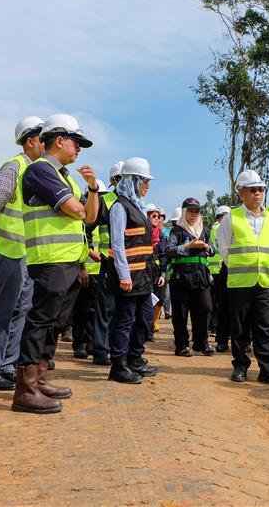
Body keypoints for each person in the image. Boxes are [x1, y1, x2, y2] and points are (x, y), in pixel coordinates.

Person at [12, 113, 98, 413]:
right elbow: (76, 210)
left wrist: (93, 189)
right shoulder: (40, 170)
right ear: (59, 140)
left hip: (69, 261)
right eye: (76, 142)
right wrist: (81, 205)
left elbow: (89, 215)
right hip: (50, 259)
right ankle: (24, 388)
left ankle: (41, 377)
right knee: (41, 320)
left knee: (56, 322)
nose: (79, 149)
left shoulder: (64, 176)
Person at [0, 116, 44, 391]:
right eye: (43, 139)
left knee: (21, 311)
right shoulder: (14, 167)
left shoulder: (35, 171)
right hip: (9, 251)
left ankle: (7, 367)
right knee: (4, 311)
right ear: (30, 141)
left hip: (27, 255)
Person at [217, 170, 269, 386]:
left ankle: (267, 369)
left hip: (265, 282)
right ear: (242, 193)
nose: (258, 193)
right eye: (253, 190)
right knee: (239, 327)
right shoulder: (231, 218)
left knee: (265, 327)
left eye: (261, 190)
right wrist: (242, 266)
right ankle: (240, 366)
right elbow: (224, 249)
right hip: (239, 282)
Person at [107, 157, 160, 383]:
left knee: (145, 318)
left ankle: (134, 358)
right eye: (144, 181)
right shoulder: (119, 206)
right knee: (125, 320)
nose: (147, 186)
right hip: (129, 277)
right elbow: (117, 244)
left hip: (143, 277)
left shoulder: (137, 206)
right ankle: (118, 365)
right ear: (133, 180)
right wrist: (124, 275)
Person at [166, 198, 216, 356]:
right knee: (181, 313)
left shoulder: (205, 230)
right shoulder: (177, 231)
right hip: (181, 278)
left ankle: (201, 342)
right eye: (191, 211)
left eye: (197, 211)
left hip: (201, 277)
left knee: (205, 308)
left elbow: (214, 250)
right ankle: (181, 345)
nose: (194, 214)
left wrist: (207, 247)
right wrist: (188, 246)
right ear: (184, 212)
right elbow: (169, 250)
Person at [90, 161, 123, 367]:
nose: (122, 182)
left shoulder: (135, 202)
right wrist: (95, 253)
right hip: (108, 262)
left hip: (128, 264)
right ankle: (101, 351)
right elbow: (87, 227)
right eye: (119, 178)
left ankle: (118, 348)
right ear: (112, 181)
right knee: (105, 309)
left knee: (123, 310)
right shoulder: (106, 202)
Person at [72, 219, 102, 359]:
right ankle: (79, 344)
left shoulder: (104, 221)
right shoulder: (85, 222)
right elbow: (79, 245)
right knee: (82, 310)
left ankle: (90, 343)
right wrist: (82, 267)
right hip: (86, 272)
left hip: (101, 272)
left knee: (95, 311)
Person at [210, 205, 231, 352]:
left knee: (234, 307)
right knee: (223, 305)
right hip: (225, 268)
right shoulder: (218, 228)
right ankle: (222, 339)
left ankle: (224, 339)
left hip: (237, 269)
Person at [147, 203, 168, 337]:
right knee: (147, 300)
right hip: (144, 272)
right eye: (154, 216)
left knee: (159, 298)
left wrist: (163, 273)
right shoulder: (143, 232)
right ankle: (146, 328)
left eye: (159, 216)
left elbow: (163, 255)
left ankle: (152, 325)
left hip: (158, 272)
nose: (157, 219)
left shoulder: (161, 235)